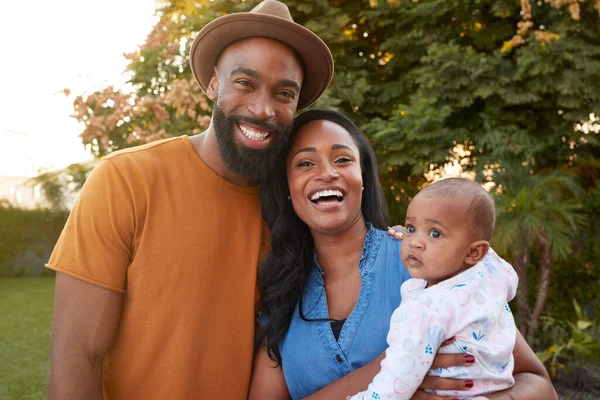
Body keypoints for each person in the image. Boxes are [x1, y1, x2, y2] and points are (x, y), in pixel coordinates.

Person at [45, 1, 334, 399]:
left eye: (283, 93)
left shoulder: (293, 210)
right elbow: (77, 356)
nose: (263, 108)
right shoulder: (126, 180)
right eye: (245, 83)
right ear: (214, 83)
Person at [249, 109, 558, 400]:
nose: (327, 173)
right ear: (288, 186)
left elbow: (539, 383)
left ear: (363, 176)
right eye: (305, 163)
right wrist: (394, 370)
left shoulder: (429, 264)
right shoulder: (281, 293)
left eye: (342, 159)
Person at [349, 178, 519, 399]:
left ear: (474, 253)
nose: (415, 242)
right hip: (498, 389)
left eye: (435, 233)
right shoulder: (490, 271)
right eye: (411, 228)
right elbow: (506, 276)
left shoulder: (425, 308)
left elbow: (396, 381)